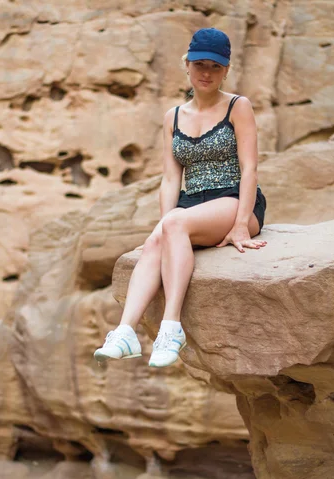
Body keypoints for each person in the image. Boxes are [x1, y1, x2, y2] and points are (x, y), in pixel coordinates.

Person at [94, 27, 267, 368]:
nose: (206, 72)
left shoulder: (237, 106)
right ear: (186, 65)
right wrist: (161, 229)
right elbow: (171, 178)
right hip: (191, 206)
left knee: (173, 223)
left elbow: (250, 169)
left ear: (226, 70)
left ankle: (171, 328)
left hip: (234, 200)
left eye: (215, 66)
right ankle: (125, 332)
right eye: (199, 64)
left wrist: (240, 225)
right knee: (159, 236)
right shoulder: (173, 117)